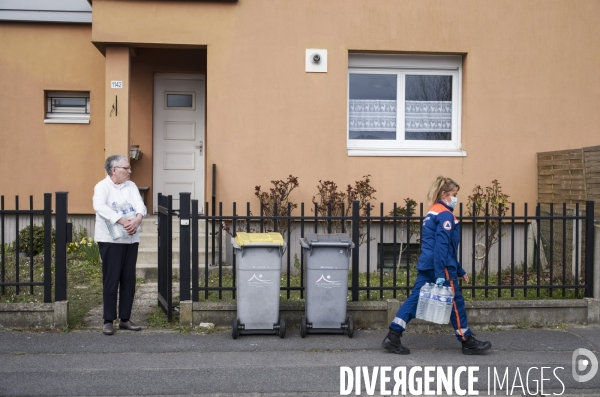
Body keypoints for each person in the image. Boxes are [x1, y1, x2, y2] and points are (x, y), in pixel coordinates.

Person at [381, 176, 492, 355]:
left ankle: (393, 335)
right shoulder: (445, 214)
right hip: (440, 266)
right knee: (455, 302)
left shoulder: (433, 211)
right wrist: (441, 271)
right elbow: (442, 246)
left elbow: (441, 246)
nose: (456, 198)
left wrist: (460, 269)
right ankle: (466, 340)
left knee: (415, 299)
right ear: (444, 194)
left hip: (428, 264)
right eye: (454, 194)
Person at [93, 155, 147, 335]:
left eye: (129, 168)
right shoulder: (102, 187)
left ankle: (125, 318)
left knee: (128, 279)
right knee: (111, 278)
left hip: (131, 238)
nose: (130, 171)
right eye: (126, 168)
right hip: (110, 240)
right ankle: (108, 320)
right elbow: (99, 206)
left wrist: (138, 219)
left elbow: (140, 204)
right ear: (113, 169)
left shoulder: (131, 186)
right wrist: (123, 220)